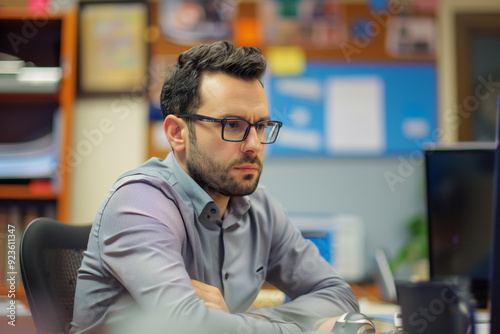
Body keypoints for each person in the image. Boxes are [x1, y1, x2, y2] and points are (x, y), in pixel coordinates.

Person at [70, 41, 359, 334]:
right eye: (232, 125)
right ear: (177, 133)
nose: (254, 145)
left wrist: (240, 322)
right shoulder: (139, 202)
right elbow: (189, 326)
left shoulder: (260, 209)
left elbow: (338, 295)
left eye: (261, 126)